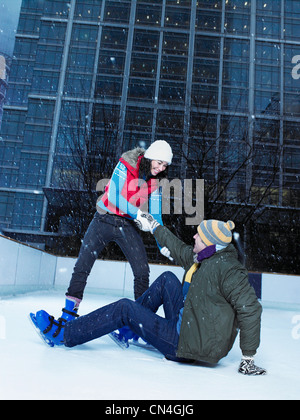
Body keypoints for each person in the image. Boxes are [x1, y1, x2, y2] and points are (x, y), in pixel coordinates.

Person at [32, 213, 266, 375]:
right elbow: (179, 248)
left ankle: (65, 335)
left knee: (125, 307)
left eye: (199, 236)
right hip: (189, 326)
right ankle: (128, 329)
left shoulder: (228, 270)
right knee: (167, 280)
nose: (194, 237)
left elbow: (251, 308)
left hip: (186, 345)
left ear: (209, 244)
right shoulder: (206, 258)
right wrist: (153, 225)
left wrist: (248, 358)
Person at [29, 140, 173, 345]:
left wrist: (163, 244)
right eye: (158, 163)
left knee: (142, 271)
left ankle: (140, 324)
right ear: (149, 156)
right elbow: (113, 195)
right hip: (104, 218)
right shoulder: (127, 162)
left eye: (165, 166)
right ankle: (69, 315)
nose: (160, 169)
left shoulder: (156, 182)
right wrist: (139, 213)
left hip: (126, 225)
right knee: (83, 265)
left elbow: (156, 217)